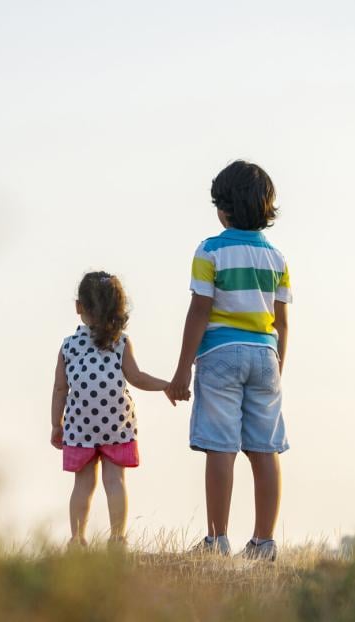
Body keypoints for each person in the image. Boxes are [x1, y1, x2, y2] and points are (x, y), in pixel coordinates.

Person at [166, 160, 292, 561]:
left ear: (222, 208)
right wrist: (277, 368)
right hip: (265, 355)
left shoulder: (210, 250)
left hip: (220, 353)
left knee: (220, 447)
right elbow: (282, 322)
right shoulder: (277, 259)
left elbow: (199, 311)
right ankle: (263, 542)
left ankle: (217, 539)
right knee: (264, 448)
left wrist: (183, 367)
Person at [51, 271, 173, 547]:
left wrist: (56, 424)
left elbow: (60, 389)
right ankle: (117, 537)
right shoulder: (120, 342)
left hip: (80, 424)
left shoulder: (69, 346)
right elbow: (137, 377)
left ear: (79, 307)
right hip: (115, 420)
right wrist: (165, 385)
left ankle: (77, 539)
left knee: (83, 484)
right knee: (114, 480)